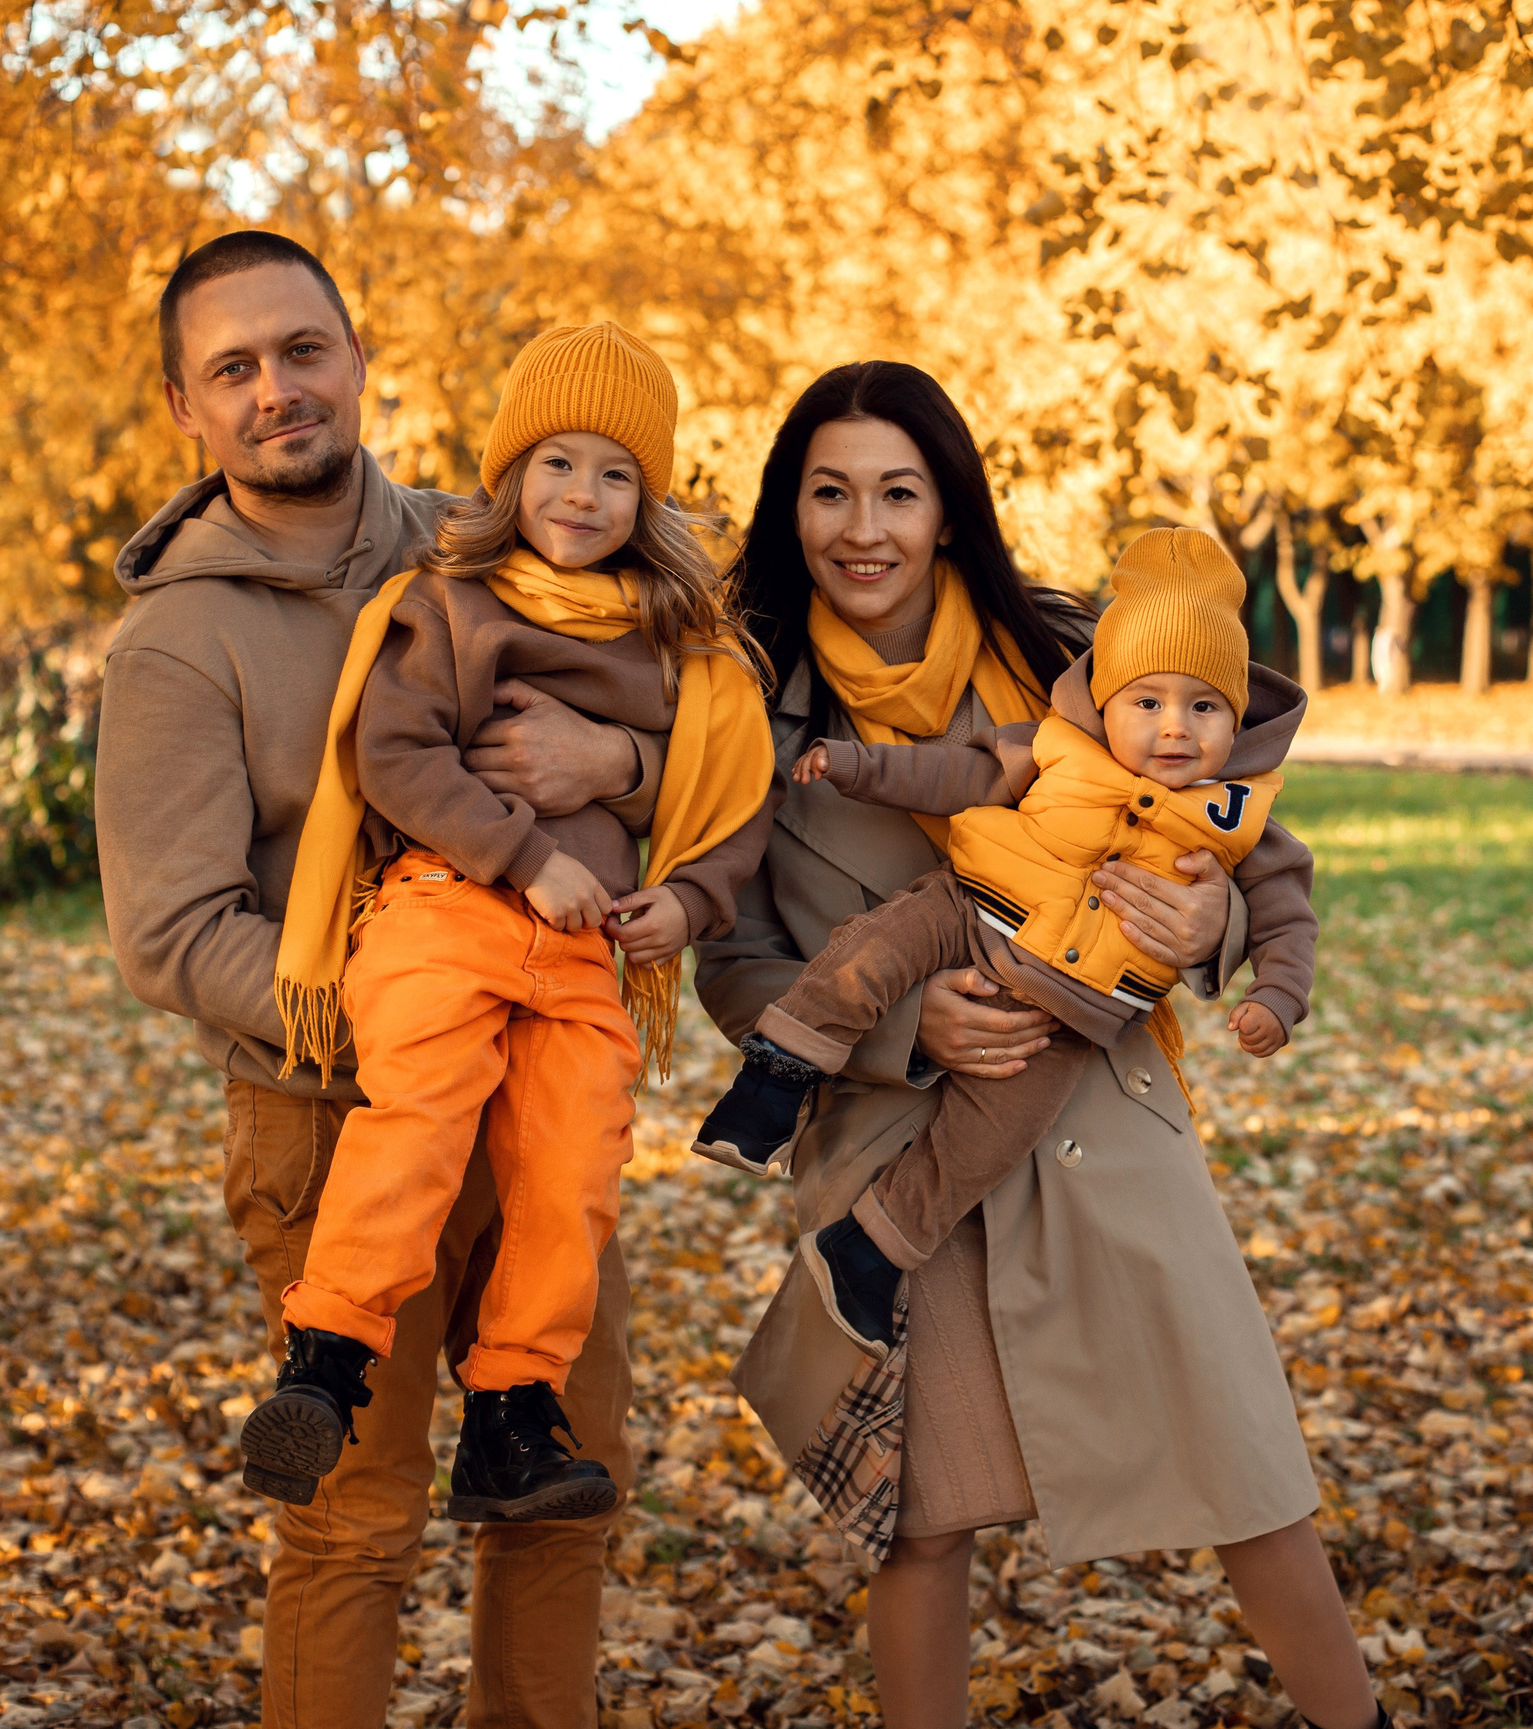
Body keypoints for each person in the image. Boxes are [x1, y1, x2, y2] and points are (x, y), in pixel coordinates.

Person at [692, 361, 1384, 1729]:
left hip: (1096, 1113)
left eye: (899, 491)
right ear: (792, 512)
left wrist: (1202, 922)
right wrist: (900, 1025)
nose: (864, 527)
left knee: (1250, 1480)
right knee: (927, 1520)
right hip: (896, 1150)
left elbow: (1245, 833)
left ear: (949, 510)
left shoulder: (1071, 650)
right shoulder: (744, 706)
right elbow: (732, 959)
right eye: (829, 493)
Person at [97, 232, 660, 1729]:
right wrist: (415, 1018)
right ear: (185, 408)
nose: (277, 390)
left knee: (557, 1490)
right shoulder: (179, 640)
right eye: (234, 369)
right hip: (336, 1107)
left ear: (356, 358)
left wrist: (624, 764)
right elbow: (170, 928)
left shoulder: (498, 547)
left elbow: (673, 708)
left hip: (540, 1096)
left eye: (302, 350)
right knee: (355, 1518)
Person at [236, 323, 774, 1524]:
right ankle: (326, 1360)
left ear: (650, 496)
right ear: (509, 475)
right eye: (556, 463)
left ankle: (512, 1412)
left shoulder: (682, 647)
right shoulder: (450, 604)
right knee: (417, 1117)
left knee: (571, 1169)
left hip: (589, 953)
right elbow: (393, 751)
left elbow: (730, 801)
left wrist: (683, 901)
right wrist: (527, 857)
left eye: (615, 473)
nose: (582, 495)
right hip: (449, 908)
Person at [693, 526, 1316, 1357]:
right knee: (868, 955)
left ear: (1235, 718)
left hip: (1071, 1012)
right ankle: (775, 1075)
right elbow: (952, 773)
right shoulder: (1058, 744)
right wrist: (855, 766)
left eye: (1204, 706)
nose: (1175, 728)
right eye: (1147, 701)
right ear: (1107, 700)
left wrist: (1273, 991)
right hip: (970, 906)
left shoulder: (1240, 814)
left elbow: (1284, 912)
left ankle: (872, 1251)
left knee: (983, 1142)